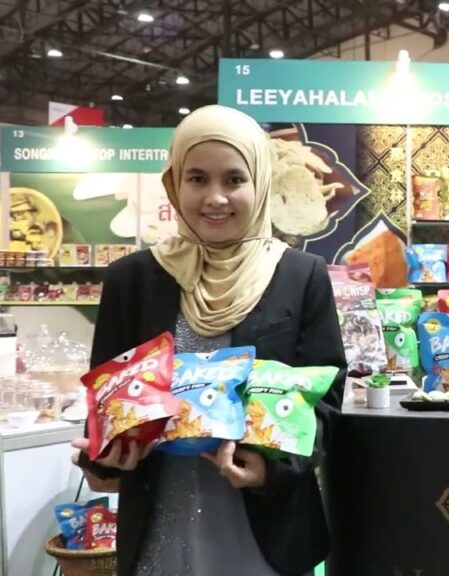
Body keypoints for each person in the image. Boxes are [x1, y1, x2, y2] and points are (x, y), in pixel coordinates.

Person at [71, 105, 346, 576]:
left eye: (234, 179)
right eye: (197, 179)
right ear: (174, 184)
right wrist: (108, 458)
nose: (215, 198)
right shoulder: (132, 279)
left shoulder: (300, 276)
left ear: (260, 183)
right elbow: (108, 397)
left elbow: (326, 398)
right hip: (159, 525)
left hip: (266, 530)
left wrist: (272, 468)